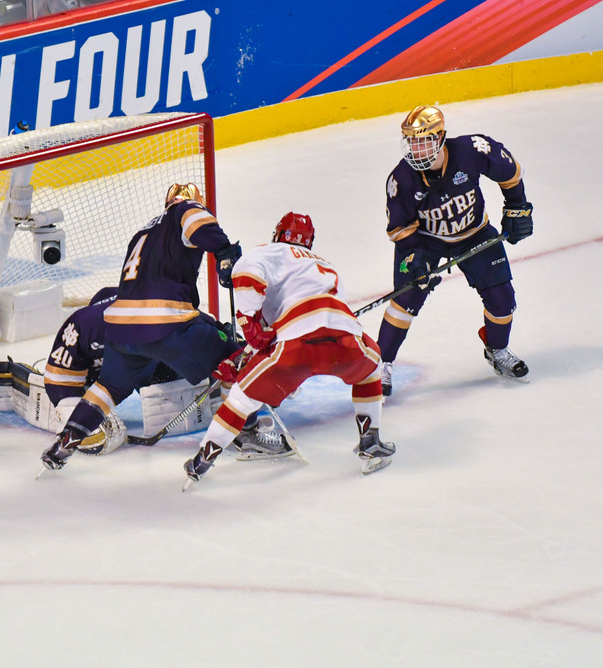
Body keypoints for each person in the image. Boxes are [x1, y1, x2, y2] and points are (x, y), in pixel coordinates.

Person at [39, 181, 283, 473]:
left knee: (110, 387)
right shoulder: (185, 210)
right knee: (235, 356)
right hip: (166, 322)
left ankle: (69, 439)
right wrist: (225, 252)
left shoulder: (142, 233)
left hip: (120, 327)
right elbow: (200, 225)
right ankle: (249, 434)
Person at [183, 212, 394, 485]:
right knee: (371, 370)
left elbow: (246, 276)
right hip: (344, 334)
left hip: (295, 343)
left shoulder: (270, 251)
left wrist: (249, 329)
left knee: (242, 397)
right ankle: (371, 441)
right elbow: (319, 320)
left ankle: (201, 462)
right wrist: (251, 350)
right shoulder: (326, 266)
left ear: (277, 234)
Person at [378, 105, 534, 396]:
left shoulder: (472, 150)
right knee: (405, 300)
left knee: (502, 299)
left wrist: (517, 207)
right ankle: (380, 365)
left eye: (423, 140)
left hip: (473, 233)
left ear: (440, 138)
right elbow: (400, 230)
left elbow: (510, 171)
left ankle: (497, 349)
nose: (416, 148)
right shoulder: (401, 179)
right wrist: (416, 261)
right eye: (411, 141)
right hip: (424, 240)